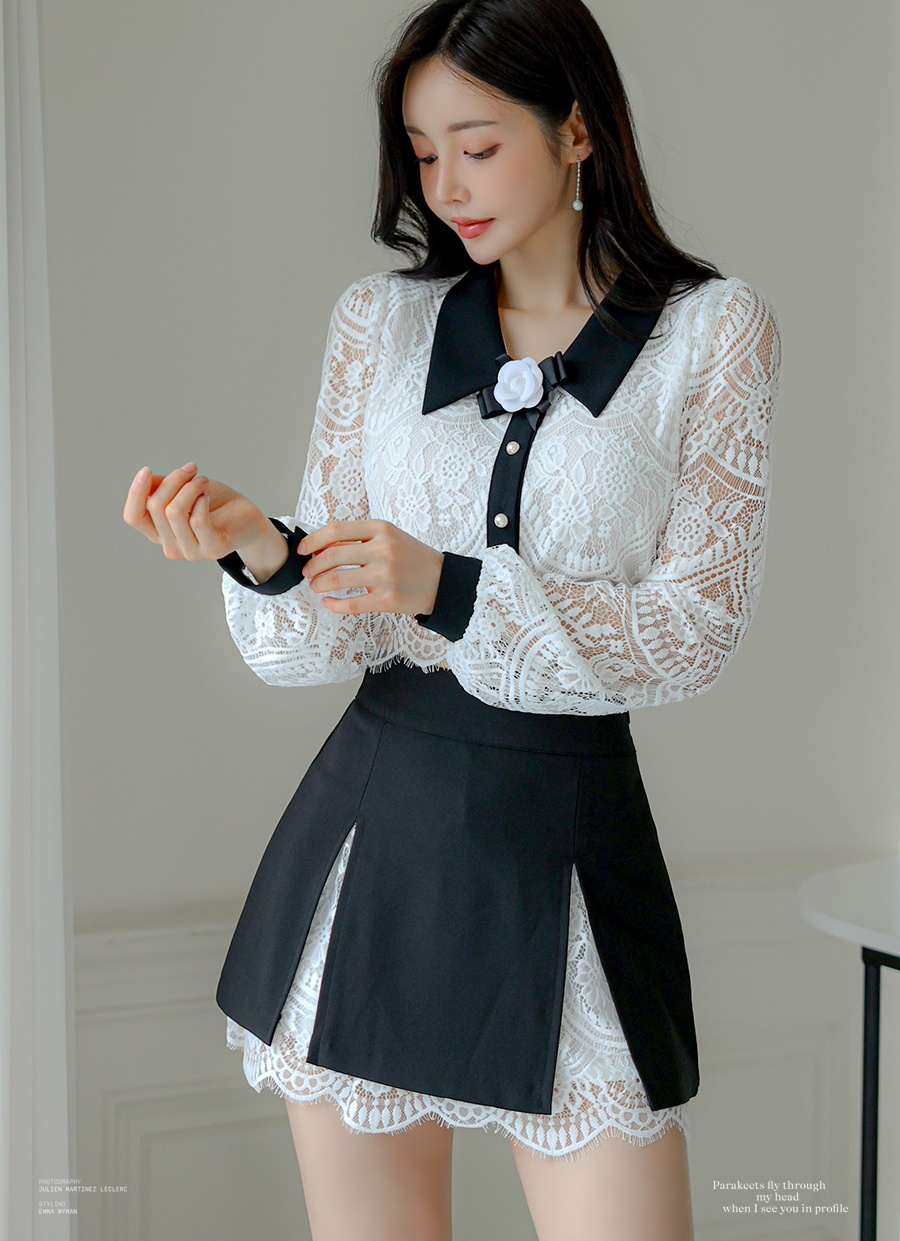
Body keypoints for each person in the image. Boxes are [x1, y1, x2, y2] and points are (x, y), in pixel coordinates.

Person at [123, 0, 781, 1236]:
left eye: (477, 146)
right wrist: (260, 549)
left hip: (569, 841)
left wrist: (456, 586)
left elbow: (697, 626)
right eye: (424, 154)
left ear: (577, 128)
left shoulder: (710, 330)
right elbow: (349, 620)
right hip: (376, 834)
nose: (447, 186)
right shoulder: (381, 322)